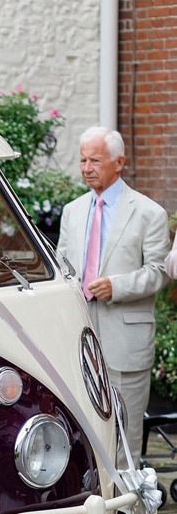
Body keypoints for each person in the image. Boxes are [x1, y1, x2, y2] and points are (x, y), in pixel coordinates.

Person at [57, 126, 170, 465]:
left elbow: (159, 271)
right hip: (81, 339)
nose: (86, 167)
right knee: (87, 432)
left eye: (95, 160)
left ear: (119, 162)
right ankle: (97, 510)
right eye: (82, 160)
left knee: (126, 436)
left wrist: (116, 287)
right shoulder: (72, 211)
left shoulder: (150, 213)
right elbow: (63, 264)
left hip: (126, 343)